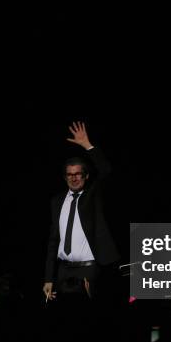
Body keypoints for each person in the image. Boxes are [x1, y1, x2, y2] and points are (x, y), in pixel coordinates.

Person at [43, 121, 119, 302]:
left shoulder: (92, 196)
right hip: (62, 271)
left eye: (78, 174)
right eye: (69, 174)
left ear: (85, 176)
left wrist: (87, 145)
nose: (74, 178)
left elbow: (106, 171)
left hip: (89, 270)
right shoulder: (57, 201)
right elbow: (54, 241)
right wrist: (48, 278)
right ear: (65, 177)